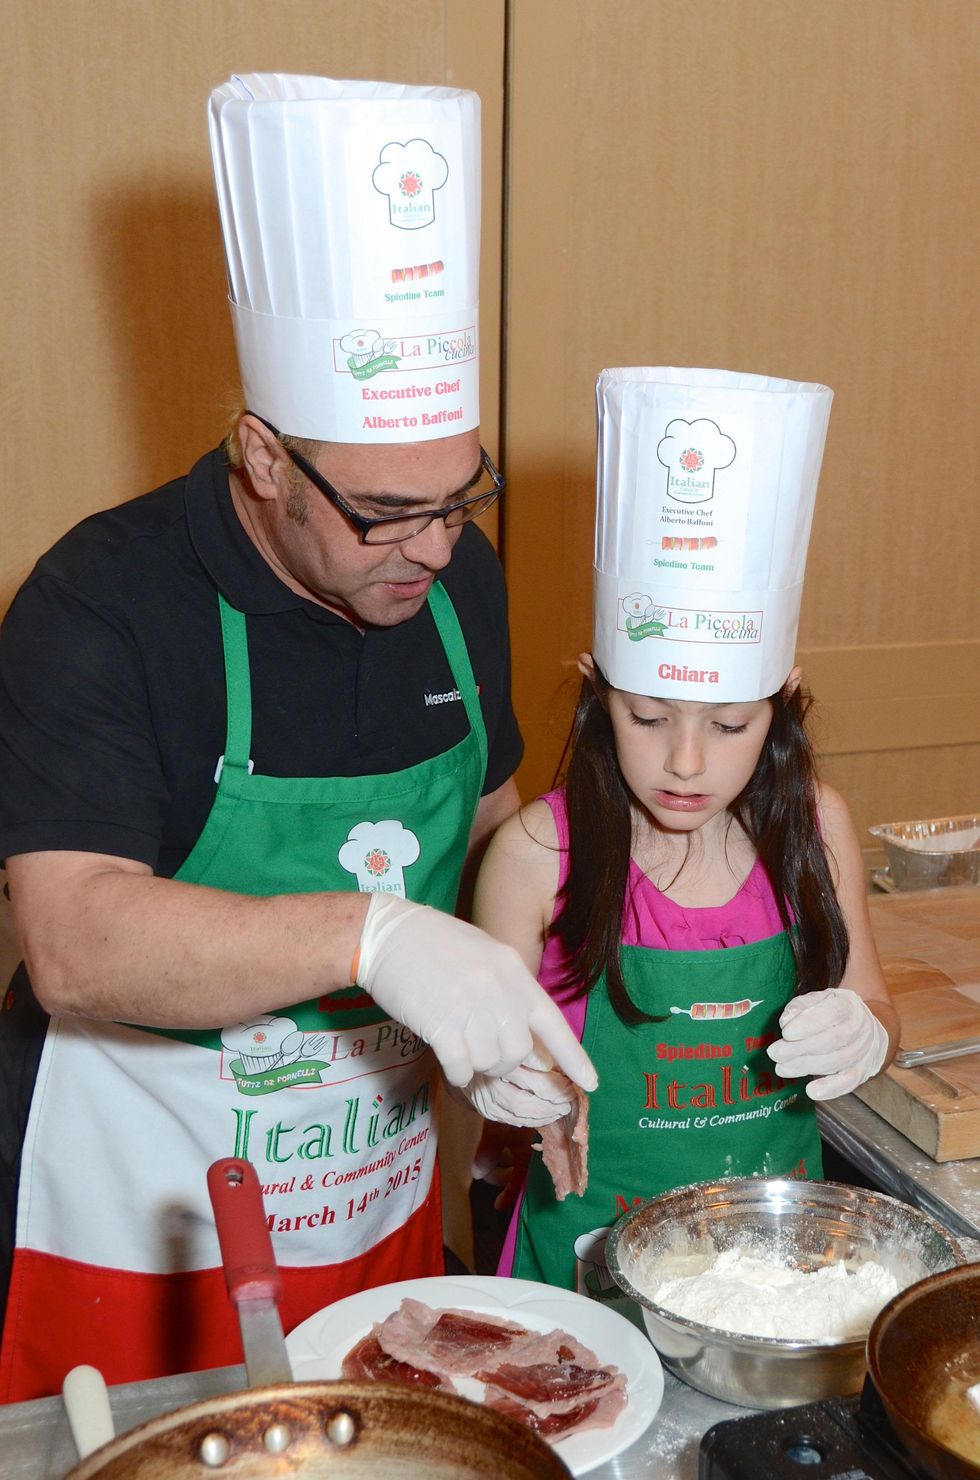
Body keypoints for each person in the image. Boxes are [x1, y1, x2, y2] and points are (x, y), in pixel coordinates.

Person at [0, 74, 594, 1402]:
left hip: (372, 1197)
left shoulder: (459, 574)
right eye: (387, 511)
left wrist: (516, 1010)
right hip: (133, 1229)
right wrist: (369, 936)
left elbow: (492, 825)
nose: (435, 549)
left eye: (461, 497)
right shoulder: (101, 603)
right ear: (265, 458)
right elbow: (75, 944)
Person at [472, 367, 899, 1295]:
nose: (687, 765)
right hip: (586, 1255)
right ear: (596, 693)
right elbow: (479, 1040)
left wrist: (864, 1030)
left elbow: (875, 1001)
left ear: (780, 706)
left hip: (771, 1262)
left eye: (731, 726)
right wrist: (496, 1076)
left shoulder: (816, 828)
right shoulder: (537, 855)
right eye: (648, 718)